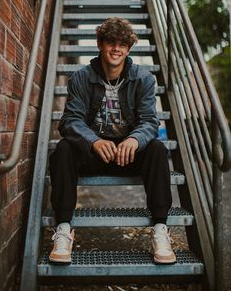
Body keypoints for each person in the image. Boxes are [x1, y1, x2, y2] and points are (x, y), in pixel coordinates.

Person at [49, 17, 176, 265]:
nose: (116, 48)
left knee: (157, 149)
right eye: (110, 42)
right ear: (100, 44)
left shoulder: (144, 79)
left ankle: (160, 229)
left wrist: (135, 140)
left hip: (129, 155)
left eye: (122, 44)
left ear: (128, 49)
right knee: (63, 149)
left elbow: (150, 121)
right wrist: (93, 140)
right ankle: (64, 229)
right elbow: (69, 121)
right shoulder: (81, 78)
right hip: (93, 154)